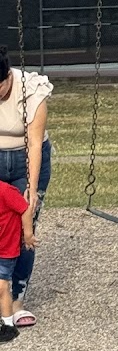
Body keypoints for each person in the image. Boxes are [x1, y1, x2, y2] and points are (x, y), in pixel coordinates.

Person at [0, 47, 52, 328]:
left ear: (8, 76)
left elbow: (34, 144)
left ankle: (17, 299)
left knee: (24, 226)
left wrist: (31, 190)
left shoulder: (31, 88)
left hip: (26, 159)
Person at [0, 180, 37, 343]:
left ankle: (8, 325)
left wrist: (28, 233)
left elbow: (25, 209)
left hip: (5, 250)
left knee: (2, 287)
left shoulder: (5, 191)